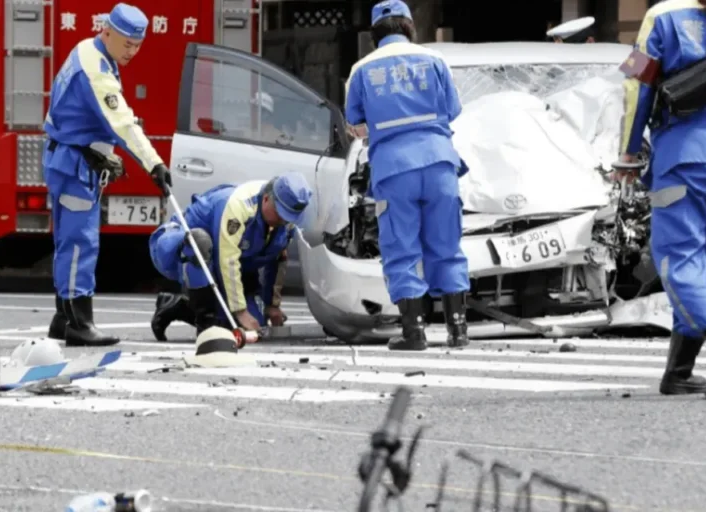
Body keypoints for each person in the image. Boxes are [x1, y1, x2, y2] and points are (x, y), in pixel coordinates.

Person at [43, 3, 173, 347]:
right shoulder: (96, 71)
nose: (132, 51)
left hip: (69, 157)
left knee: (66, 243)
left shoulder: (87, 49)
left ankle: (62, 319)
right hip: (74, 164)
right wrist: (154, 163)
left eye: (138, 45)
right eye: (127, 43)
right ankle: (79, 322)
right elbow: (122, 123)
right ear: (107, 31)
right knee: (79, 243)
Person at [343, 0, 470, 351]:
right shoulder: (434, 61)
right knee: (447, 244)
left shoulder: (362, 70)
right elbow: (453, 111)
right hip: (440, 164)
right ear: (410, 28)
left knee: (401, 248)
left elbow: (355, 123)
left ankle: (414, 333)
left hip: (394, 169)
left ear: (375, 35)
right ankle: (458, 331)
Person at [616, 0, 706, 395]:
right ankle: (679, 373)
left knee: (680, 259)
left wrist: (628, 153)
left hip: (682, 161)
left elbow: (636, 84)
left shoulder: (664, 15)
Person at [148, 173, 312, 340]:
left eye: (289, 217)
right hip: (175, 247)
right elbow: (228, 260)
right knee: (200, 242)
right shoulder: (238, 205)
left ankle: (176, 306)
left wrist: (272, 305)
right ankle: (206, 326)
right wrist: (240, 311)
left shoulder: (286, 222)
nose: (284, 221)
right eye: (281, 214)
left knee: (254, 324)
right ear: (266, 199)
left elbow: (277, 259)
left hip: (220, 264)